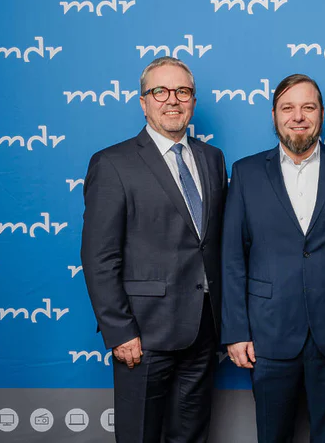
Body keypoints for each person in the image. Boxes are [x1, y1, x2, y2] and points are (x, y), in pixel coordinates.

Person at [221, 74, 325, 442]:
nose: (298, 116)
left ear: (321, 114)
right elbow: (232, 259)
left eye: (308, 107)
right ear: (274, 115)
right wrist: (236, 331)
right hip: (268, 334)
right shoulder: (245, 173)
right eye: (288, 108)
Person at [80, 56, 227, 442]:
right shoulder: (113, 163)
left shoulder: (212, 159)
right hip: (143, 335)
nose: (172, 100)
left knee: (191, 436)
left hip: (203, 330)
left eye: (182, 91)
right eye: (160, 91)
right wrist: (119, 331)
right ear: (143, 102)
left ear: (193, 101)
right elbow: (99, 257)